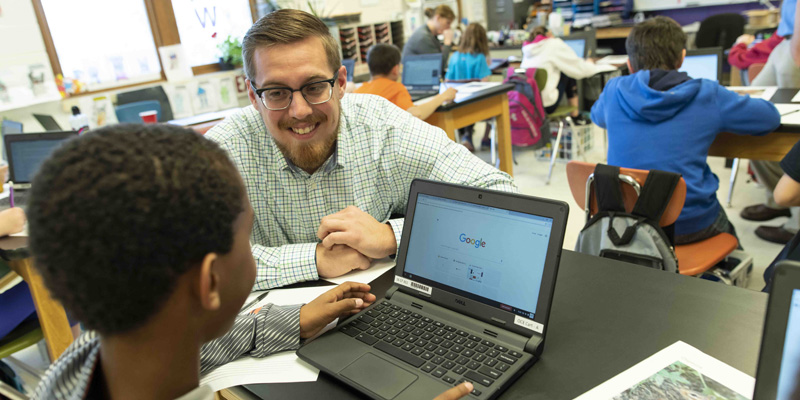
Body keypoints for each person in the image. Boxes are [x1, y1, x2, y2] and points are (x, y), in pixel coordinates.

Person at [29, 124, 473, 400]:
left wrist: (294, 318)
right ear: (211, 282)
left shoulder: (88, 361)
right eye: (247, 237)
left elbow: (192, 342)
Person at [205, 9, 516, 290]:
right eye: (275, 92)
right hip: (271, 334)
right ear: (253, 95)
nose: (299, 111)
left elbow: (504, 200)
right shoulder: (223, 154)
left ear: (341, 82)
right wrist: (313, 259)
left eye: (314, 87)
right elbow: (189, 266)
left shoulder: (384, 129)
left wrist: (393, 236)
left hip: (380, 322)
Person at [591, 16, 780, 245]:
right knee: (729, 233)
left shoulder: (613, 91)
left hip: (625, 225)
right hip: (689, 225)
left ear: (630, 65)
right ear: (682, 58)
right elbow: (770, 118)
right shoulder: (708, 94)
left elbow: (597, 117)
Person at [741, 0, 800, 245]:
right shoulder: (781, 47)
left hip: (793, 51)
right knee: (750, 128)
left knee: (788, 135)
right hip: (785, 48)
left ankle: (795, 222)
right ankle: (778, 201)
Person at [520, 26, 610, 124]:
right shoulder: (553, 43)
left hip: (528, 103)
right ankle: (575, 116)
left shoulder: (527, 49)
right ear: (549, 34)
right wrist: (590, 63)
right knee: (567, 70)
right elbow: (578, 68)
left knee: (563, 68)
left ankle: (575, 116)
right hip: (547, 105)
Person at [354, 43, 457, 120]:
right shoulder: (395, 88)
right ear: (395, 70)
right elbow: (416, 114)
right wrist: (442, 97)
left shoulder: (358, 91)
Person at [444, 23, 492, 151]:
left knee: (464, 101)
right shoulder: (480, 58)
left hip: (456, 103)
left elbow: (447, 81)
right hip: (475, 103)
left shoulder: (454, 57)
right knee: (495, 99)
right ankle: (486, 139)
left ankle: (466, 135)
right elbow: (484, 82)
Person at [402, 5, 456, 74]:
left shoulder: (430, 34)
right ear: (438, 18)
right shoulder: (423, 37)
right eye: (447, 23)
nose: (448, 27)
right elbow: (439, 66)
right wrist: (447, 43)